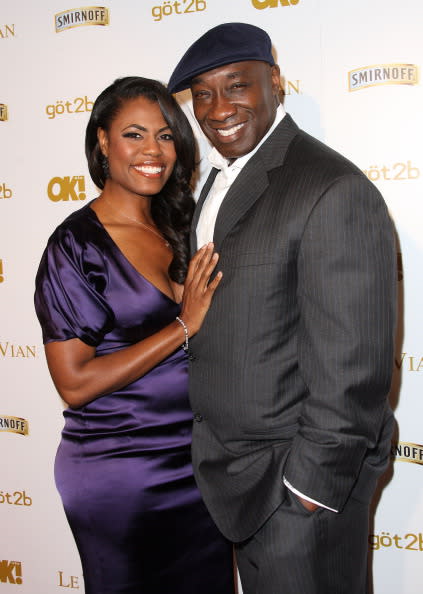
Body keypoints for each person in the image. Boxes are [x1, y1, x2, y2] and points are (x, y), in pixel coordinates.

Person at [168, 23, 397, 594]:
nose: (218, 108)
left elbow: (355, 359)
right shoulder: (219, 178)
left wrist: (309, 489)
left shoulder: (330, 187)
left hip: (294, 491)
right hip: (235, 477)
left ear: (275, 82)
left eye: (236, 86)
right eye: (203, 94)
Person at [34, 76, 235, 594]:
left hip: (196, 469)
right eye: (134, 134)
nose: (153, 151)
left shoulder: (180, 226)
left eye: (166, 136)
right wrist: (182, 326)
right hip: (120, 475)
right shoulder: (75, 246)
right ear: (103, 141)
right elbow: (74, 383)